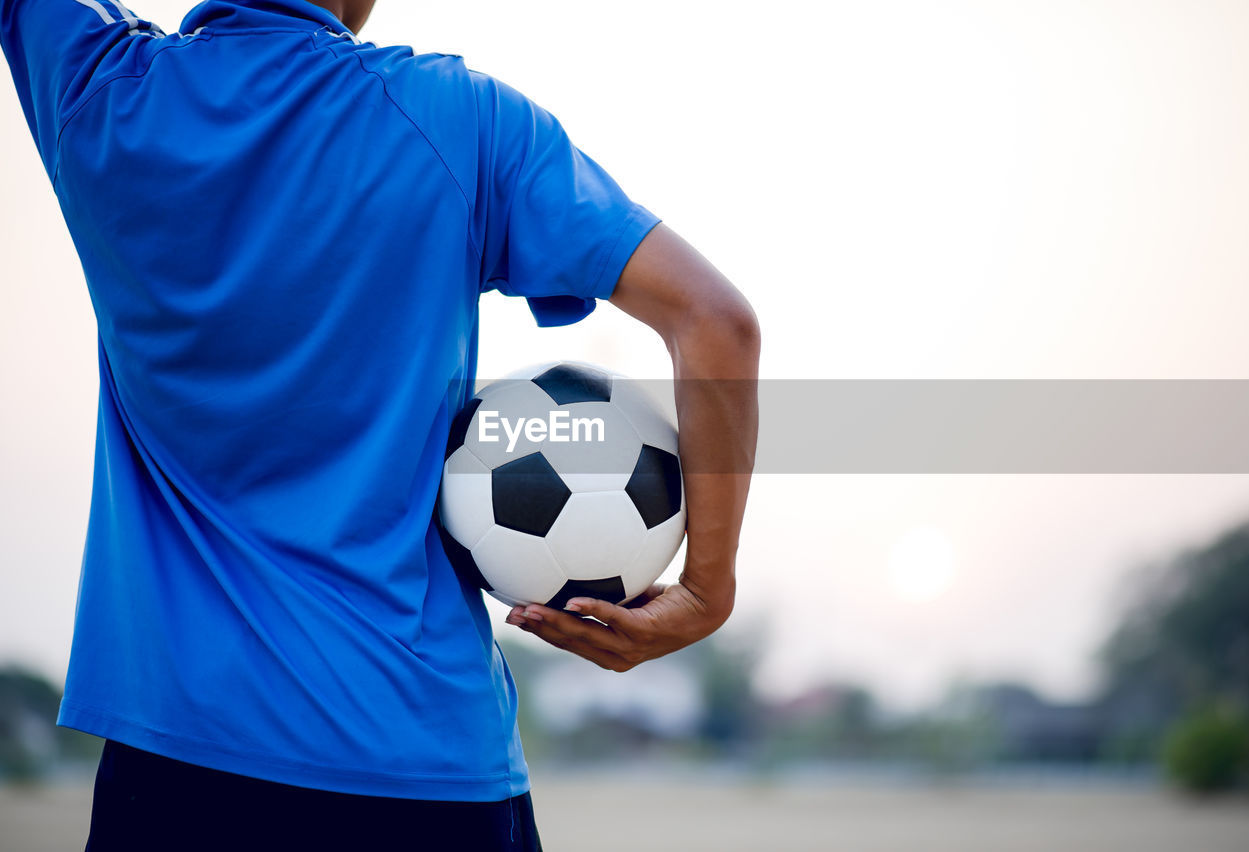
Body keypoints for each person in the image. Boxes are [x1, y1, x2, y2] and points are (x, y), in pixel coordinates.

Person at [0, 0, 759, 848]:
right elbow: (715, 322)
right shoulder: (459, 120)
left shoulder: (99, 92)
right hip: (421, 770)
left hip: (177, 764)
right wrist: (706, 589)